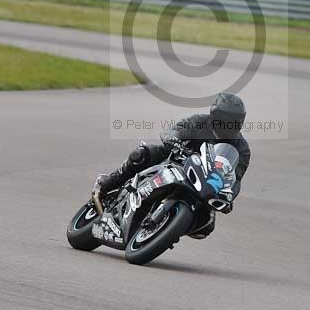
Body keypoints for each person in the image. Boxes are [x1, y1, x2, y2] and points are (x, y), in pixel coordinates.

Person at [93, 92, 251, 225]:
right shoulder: (199, 122)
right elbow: (176, 130)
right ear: (214, 115)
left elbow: (235, 180)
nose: (229, 125)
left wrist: (230, 197)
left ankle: (169, 227)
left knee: (206, 224)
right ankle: (109, 182)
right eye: (225, 120)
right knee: (141, 154)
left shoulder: (241, 149)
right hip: (177, 162)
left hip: (205, 185)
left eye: (235, 122)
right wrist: (173, 139)